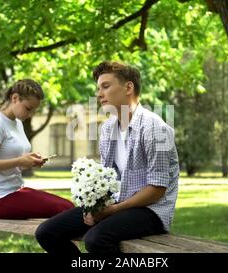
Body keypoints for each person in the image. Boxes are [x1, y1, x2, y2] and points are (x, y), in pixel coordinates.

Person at [35, 61, 179, 253]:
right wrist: (96, 207)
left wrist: (111, 211)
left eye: (106, 86)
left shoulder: (155, 129)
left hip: (151, 211)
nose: (99, 94)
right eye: (98, 88)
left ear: (128, 87)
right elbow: (108, 178)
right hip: (118, 204)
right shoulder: (108, 128)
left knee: (96, 239)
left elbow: (156, 190)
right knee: (46, 232)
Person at [0, 79, 74, 219]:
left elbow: (11, 160)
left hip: (15, 191)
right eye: (28, 108)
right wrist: (21, 161)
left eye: (34, 110)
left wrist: (30, 160)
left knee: (68, 206)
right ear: (15, 98)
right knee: (66, 209)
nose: (31, 114)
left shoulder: (17, 123)